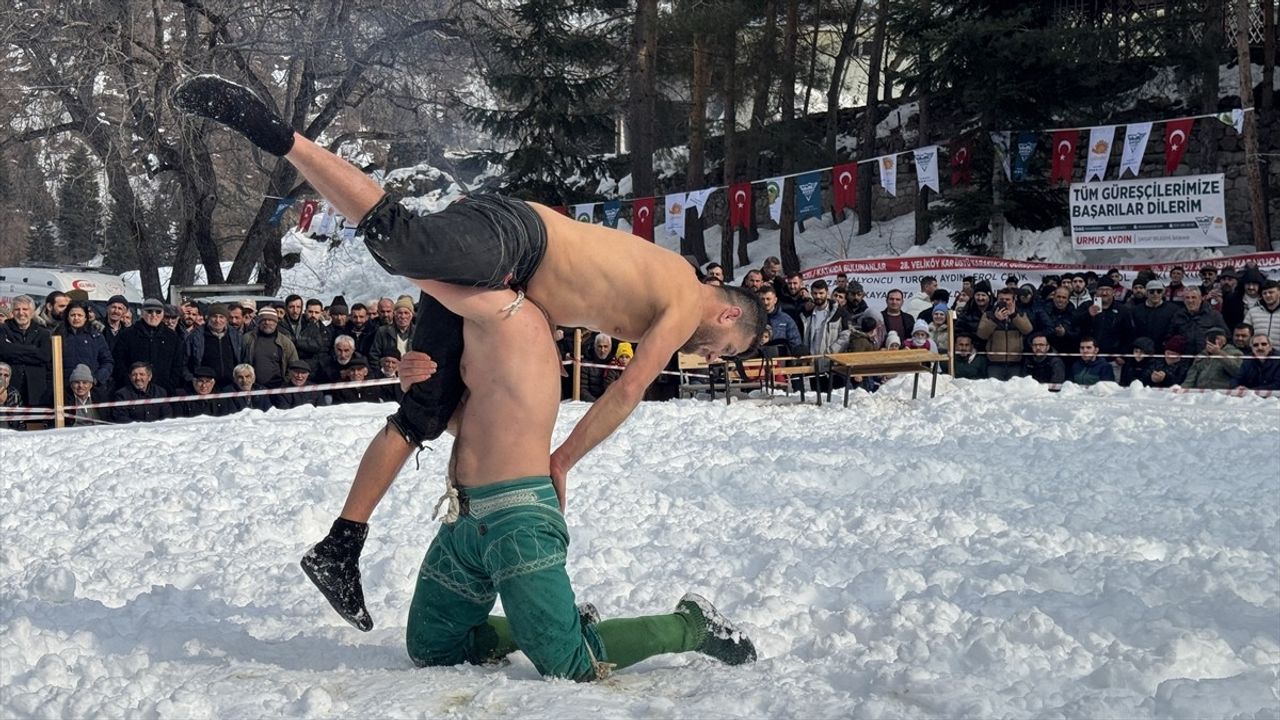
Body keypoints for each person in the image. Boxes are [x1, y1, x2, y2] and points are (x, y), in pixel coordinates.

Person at [175, 74, 766, 629]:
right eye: (725, 351)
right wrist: (560, 461)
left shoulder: (664, 283)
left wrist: (414, 359)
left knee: (420, 413)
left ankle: (340, 544)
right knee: (404, 244)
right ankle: (276, 134)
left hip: (501, 276)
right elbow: (630, 388)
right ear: (730, 312)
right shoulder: (687, 298)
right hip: (519, 240)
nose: (712, 358)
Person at [397, 291, 755, 680]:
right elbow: (469, 425)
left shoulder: (519, 321)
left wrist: (563, 459)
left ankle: (691, 626)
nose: (715, 359)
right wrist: (418, 386)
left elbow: (628, 389)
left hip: (517, 519)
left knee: (572, 665)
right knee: (433, 647)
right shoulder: (480, 331)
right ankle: (561, 626)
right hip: (463, 516)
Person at [113, 297, 185, 394]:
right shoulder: (127, 335)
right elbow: (119, 362)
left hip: (164, 390)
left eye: (158, 312)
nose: (154, 315)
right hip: (132, 391)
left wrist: (170, 385)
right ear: (142, 313)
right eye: (149, 311)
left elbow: (178, 365)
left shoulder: (172, 337)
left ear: (163, 314)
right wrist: (128, 384)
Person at [0, 295, 52, 407]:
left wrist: (14, 348)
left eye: (25, 309)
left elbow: (44, 356)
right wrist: (33, 350)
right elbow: (4, 351)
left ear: (32, 312)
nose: (21, 313)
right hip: (10, 388)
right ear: (12, 312)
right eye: (17, 309)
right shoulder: (3, 329)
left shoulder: (43, 333)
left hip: (36, 389)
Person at [55, 300, 114, 388]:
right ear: (67, 317)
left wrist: (97, 379)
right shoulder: (57, 336)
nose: (76, 318)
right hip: (64, 388)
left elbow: (107, 362)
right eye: (72, 315)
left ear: (85, 318)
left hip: (91, 388)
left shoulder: (96, 337)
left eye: (80, 315)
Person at [977, 287, 1032, 380]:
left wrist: (1014, 315)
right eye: (1001, 299)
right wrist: (995, 320)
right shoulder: (988, 315)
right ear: (997, 300)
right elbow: (982, 334)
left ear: (1013, 300)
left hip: (1015, 363)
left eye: (1007, 299)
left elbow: (1027, 330)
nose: (1005, 302)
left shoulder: (1021, 314)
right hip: (995, 363)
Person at [243, 307, 299, 388]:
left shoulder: (285, 342)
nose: (267, 322)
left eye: (271, 320)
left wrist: (286, 382)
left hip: (279, 388)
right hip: (254, 388)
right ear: (258, 322)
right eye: (263, 320)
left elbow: (294, 365)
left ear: (276, 322)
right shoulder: (248, 339)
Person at [1243, 280, 1280, 348]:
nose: (1267, 295)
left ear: (1279, 292)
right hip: (1257, 353)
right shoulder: (1252, 312)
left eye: (1271, 292)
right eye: (1264, 293)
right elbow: (1244, 334)